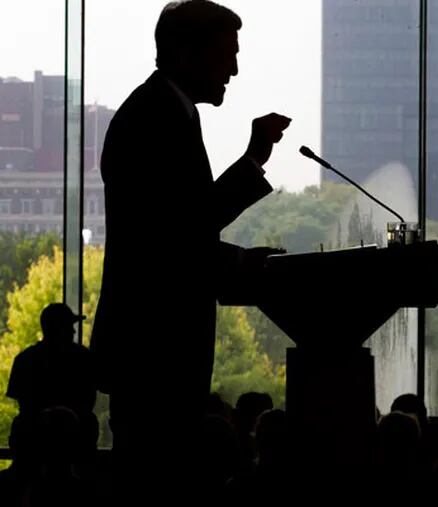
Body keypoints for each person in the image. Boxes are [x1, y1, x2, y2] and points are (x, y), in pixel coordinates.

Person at [89, 0, 290, 500]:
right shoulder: (155, 118)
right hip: (155, 347)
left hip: (151, 349)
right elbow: (175, 234)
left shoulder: (161, 111)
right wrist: (242, 259)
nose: (233, 70)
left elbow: (178, 227)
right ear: (186, 52)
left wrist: (252, 163)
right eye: (226, 55)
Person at [6, 302, 95, 421]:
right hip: (78, 429)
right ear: (59, 329)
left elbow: (22, 402)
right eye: (69, 326)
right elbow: (89, 398)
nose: (73, 331)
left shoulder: (25, 359)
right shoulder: (82, 357)